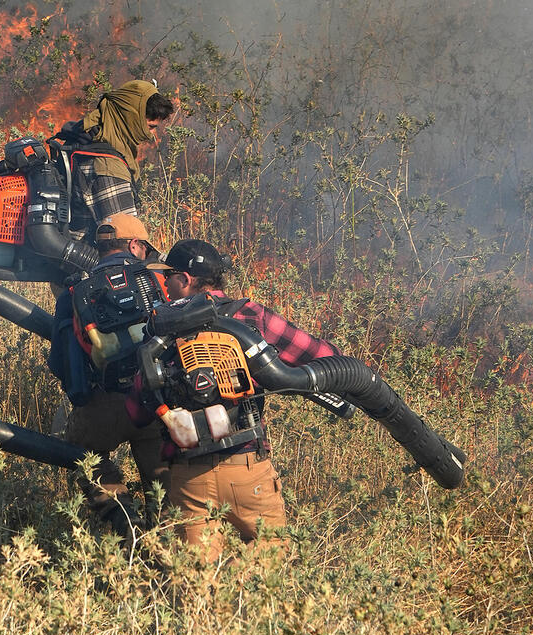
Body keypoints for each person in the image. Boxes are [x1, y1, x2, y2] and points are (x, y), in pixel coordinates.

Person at [150, 238, 341, 559]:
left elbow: (138, 407)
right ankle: (242, 594)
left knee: (195, 582)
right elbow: (322, 355)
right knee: (271, 559)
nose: (164, 283)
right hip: (247, 466)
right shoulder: (253, 316)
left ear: (184, 280)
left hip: (188, 476)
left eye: (167, 275)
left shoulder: (159, 327)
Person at [50, 212, 169, 545]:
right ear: (133, 245)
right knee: (164, 483)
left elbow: (59, 362)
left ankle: (126, 527)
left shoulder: (74, 291)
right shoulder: (157, 280)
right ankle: (164, 541)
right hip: (153, 401)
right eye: (145, 247)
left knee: (86, 456)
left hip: (101, 404)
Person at [52, 80, 175, 228]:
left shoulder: (87, 141)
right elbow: (126, 238)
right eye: (150, 127)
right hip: (92, 249)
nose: (151, 134)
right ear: (131, 118)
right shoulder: (108, 166)